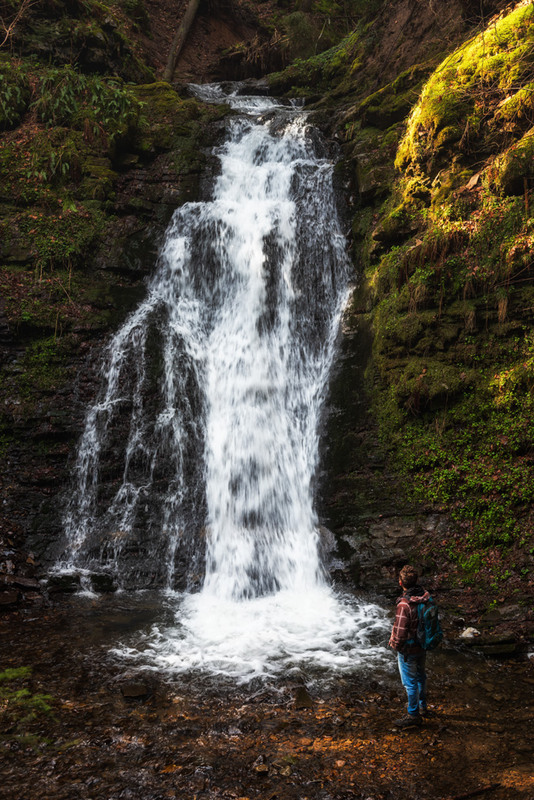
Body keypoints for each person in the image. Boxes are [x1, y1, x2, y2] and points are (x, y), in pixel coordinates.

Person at [389, 564, 431, 728]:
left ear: (400, 583)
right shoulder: (426, 597)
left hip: (408, 649)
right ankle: (423, 707)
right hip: (422, 645)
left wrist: (394, 645)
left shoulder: (404, 605)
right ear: (416, 581)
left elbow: (400, 633)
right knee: (421, 676)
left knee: (409, 683)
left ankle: (413, 714)